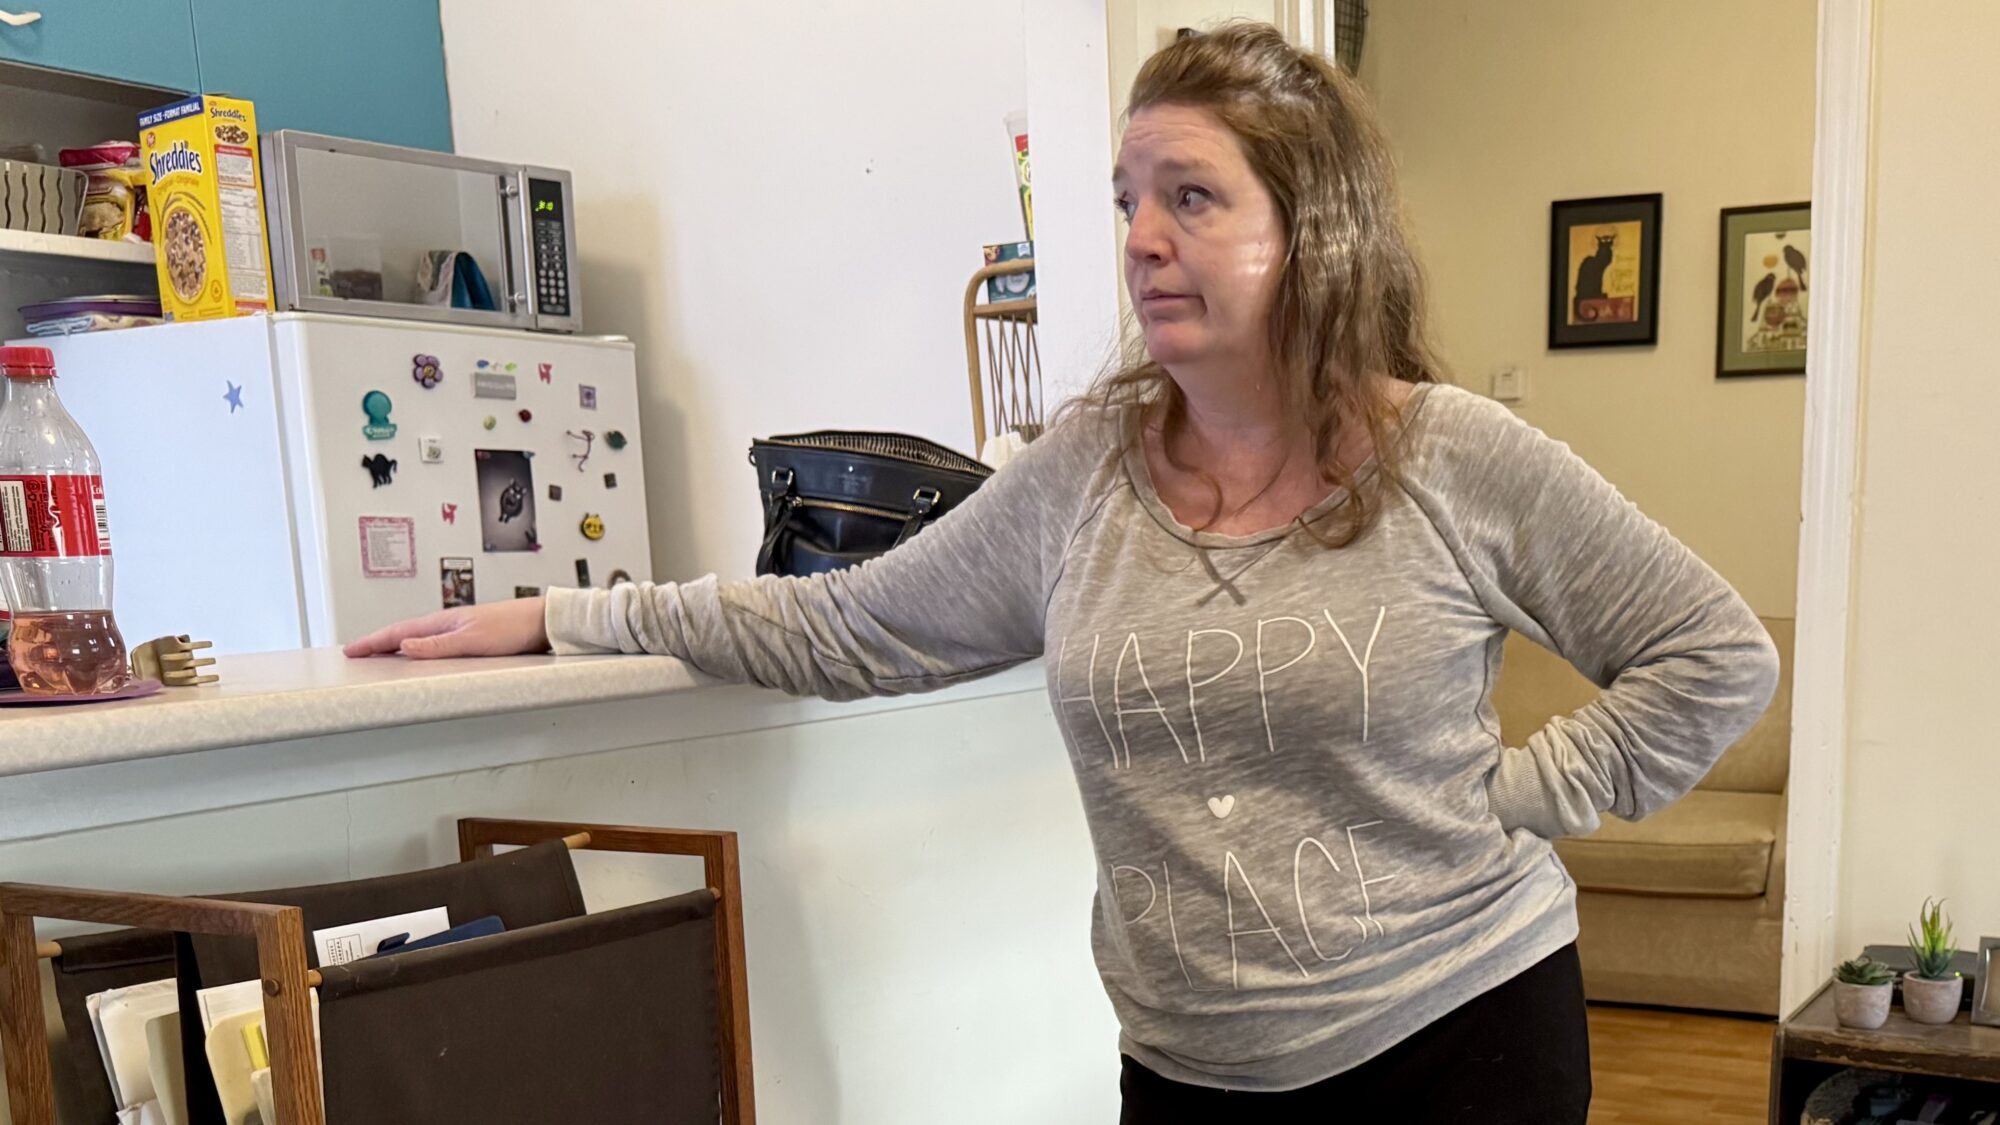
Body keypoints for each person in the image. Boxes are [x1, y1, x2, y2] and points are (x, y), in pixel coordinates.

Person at [347, 23, 1779, 1123]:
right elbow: (856, 625)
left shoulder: (1457, 457)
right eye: (1130, 199)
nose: (1145, 238)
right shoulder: (1083, 469)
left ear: (1315, 230)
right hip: (1186, 1061)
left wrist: (1524, 797)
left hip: (1453, 1035)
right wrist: (564, 614)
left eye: (1194, 198)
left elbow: (1715, 656)